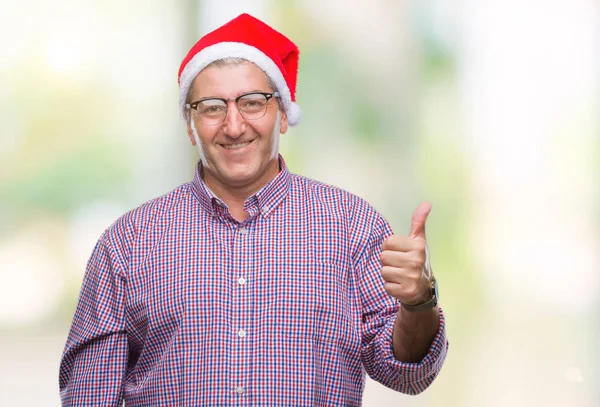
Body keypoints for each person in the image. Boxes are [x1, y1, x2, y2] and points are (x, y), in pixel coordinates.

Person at [59, 13, 448, 406]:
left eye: (252, 103)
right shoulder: (127, 243)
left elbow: (406, 373)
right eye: (212, 107)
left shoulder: (352, 225)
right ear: (189, 123)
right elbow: (89, 396)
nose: (233, 125)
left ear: (281, 115)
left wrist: (418, 302)